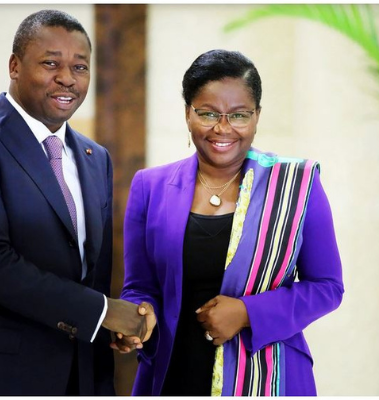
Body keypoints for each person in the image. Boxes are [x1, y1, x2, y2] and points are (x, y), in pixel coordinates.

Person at [0, 9, 153, 395]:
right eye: (51, 63)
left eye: (80, 67)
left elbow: (92, 273)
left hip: (82, 375)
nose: (67, 78)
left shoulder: (95, 157)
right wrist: (101, 311)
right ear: (15, 66)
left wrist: (106, 326)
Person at [113, 50, 344, 396]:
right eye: (208, 113)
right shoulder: (150, 187)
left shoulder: (296, 184)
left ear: (257, 116)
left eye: (239, 115)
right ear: (188, 113)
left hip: (267, 373)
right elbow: (140, 286)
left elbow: (327, 287)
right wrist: (139, 317)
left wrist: (247, 312)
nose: (223, 128)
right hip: (175, 372)